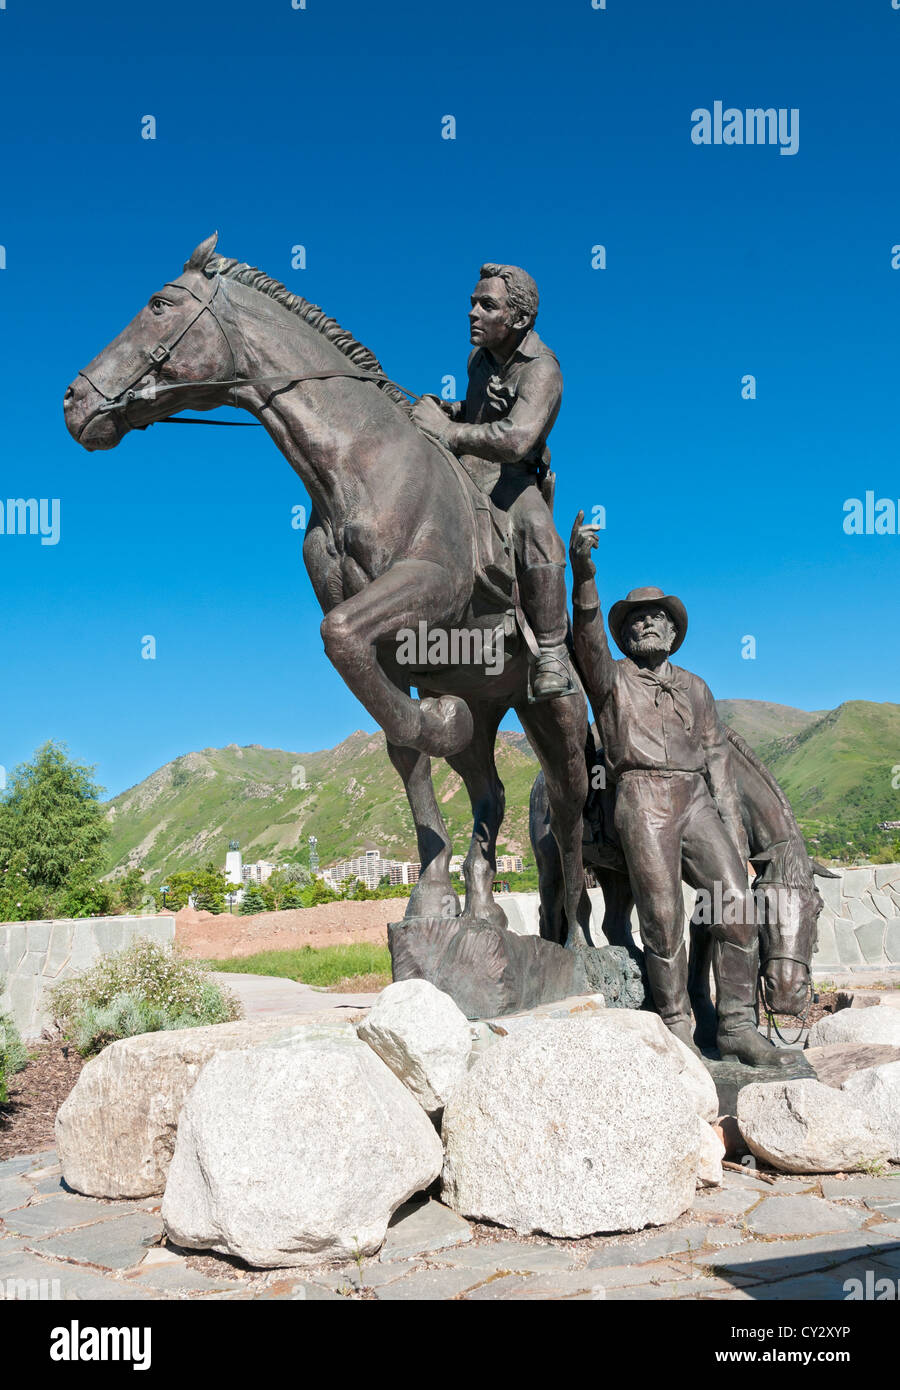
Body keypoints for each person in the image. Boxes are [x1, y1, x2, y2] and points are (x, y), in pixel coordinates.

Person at [567, 511, 788, 1066]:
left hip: (696, 801)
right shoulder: (610, 679)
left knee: (736, 905)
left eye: (655, 618)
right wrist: (583, 572)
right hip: (641, 796)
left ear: (672, 630)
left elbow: (717, 760)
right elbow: (587, 637)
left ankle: (736, 1024)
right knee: (662, 919)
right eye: (635, 620)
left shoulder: (697, 687)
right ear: (625, 633)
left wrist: (735, 834)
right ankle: (676, 1026)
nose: (646, 625)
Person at [411, 264, 572, 699]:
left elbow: (518, 438)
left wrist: (446, 432)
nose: (472, 313)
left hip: (513, 478)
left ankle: (553, 653)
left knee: (540, 533)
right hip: (470, 466)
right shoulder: (477, 360)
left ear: (518, 319)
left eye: (487, 305)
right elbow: (481, 411)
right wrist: (452, 409)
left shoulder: (543, 370)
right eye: (472, 303)